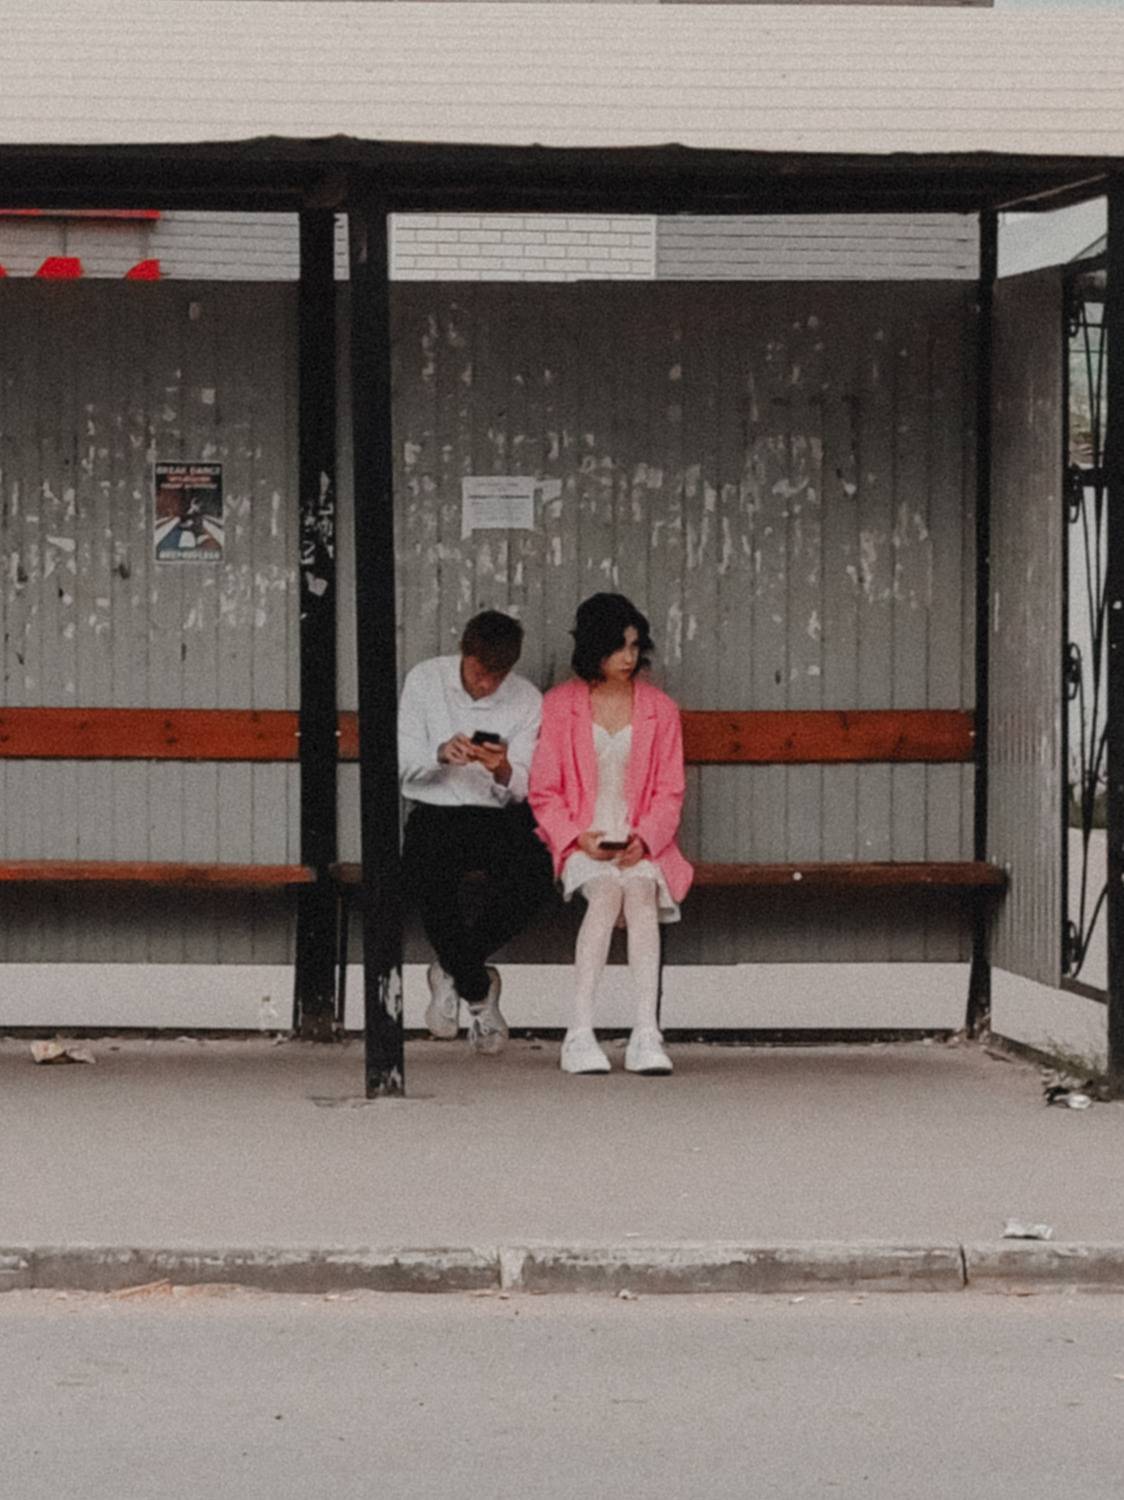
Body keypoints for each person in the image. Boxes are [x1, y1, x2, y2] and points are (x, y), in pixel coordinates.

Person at [529, 593, 693, 1076]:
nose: (628, 657)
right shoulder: (560, 705)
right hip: (582, 839)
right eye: (618, 646)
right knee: (605, 894)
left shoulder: (661, 709)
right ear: (592, 648)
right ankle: (579, 1033)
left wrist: (645, 840)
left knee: (640, 893)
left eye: (635, 646)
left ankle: (646, 1033)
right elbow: (544, 790)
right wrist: (577, 838)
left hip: (641, 842)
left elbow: (670, 792)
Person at [398, 610, 554, 1054]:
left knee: (536, 875)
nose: (486, 685)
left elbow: (524, 786)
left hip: (495, 814)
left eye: (496, 677)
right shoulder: (425, 680)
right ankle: (478, 992)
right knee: (427, 874)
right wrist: (440, 754)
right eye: (479, 672)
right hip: (435, 808)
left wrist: (501, 767)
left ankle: (451, 969)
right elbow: (402, 764)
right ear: (464, 654)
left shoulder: (525, 698)